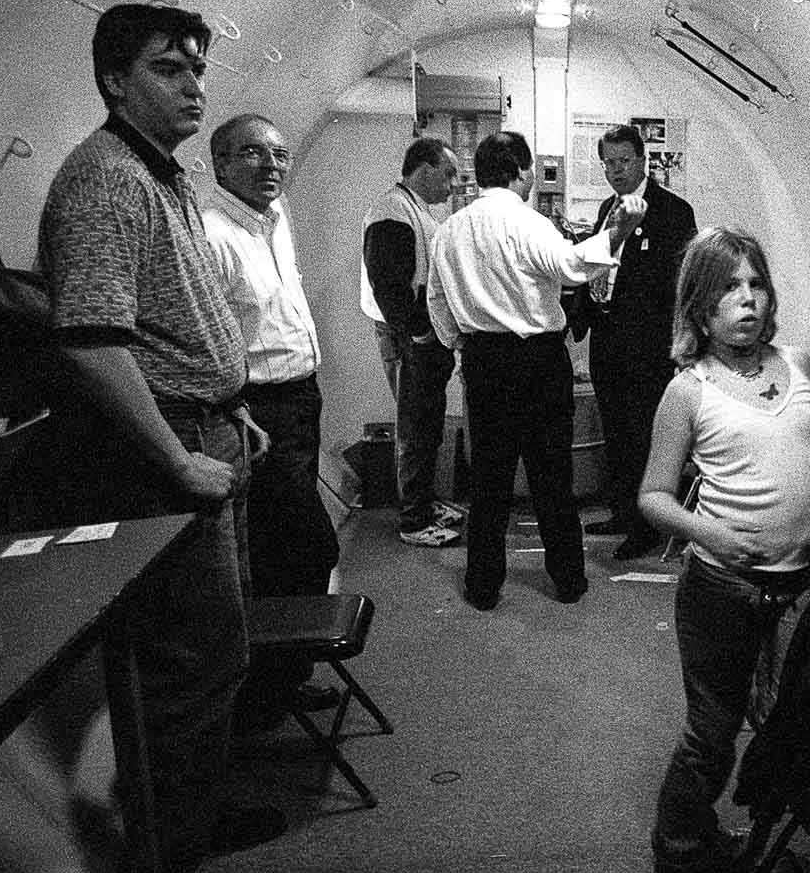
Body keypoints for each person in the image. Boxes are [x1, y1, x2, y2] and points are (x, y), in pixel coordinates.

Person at [34, 2, 283, 873]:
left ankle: (197, 820)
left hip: (214, 434)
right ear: (113, 81)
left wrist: (235, 406)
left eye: (199, 69)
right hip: (165, 461)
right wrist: (180, 460)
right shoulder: (103, 182)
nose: (195, 84)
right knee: (187, 671)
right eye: (171, 68)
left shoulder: (164, 177)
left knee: (218, 657)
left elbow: (171, 319)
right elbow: (94, 346)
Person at [638, 228, 810, 873]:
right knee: (712, 733)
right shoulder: (689, 391)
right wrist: (709, 534)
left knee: (792, 719)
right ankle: (680, 841)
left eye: (756, 283)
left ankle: (766, 818)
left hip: (804, 585)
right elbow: (653, 497)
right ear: (700, 308)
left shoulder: (800, 363)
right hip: (722, 591)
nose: (747, 300)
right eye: (729, 288)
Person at [426, 130, 648, 611]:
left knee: (489, 481)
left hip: (483, 363)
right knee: (552, 477)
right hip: (538, 363)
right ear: (523, 171)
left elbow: (437, 303)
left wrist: (461, 343)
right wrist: (618, 233)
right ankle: (568, 580)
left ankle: (483, 587)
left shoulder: (449, 230)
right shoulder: (527, 224)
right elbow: (571, 269)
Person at [201, 113, 341, 726]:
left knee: (291, 547)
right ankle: (262, 694)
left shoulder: (274, 220)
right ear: (220, 164)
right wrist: (235, 409)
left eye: (280, 155)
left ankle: (289, 677)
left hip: (299, 395)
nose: (272, 166)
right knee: (291, 546)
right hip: (257, 408)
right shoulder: (212, 234)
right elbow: (206, 338)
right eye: (253, 154)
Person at [573, 124, 697, 560]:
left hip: (646, 346)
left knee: (644, 437)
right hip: (608, 340)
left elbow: (681, 285)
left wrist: (683, 346)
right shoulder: (608, 207)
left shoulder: (673, 211)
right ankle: (622, 511)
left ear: (643, 161)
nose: (615, 170)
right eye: (608, 162)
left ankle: (645, 526)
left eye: (624, 161)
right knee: (616, 434)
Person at [362, 136, 467, 547]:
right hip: (412, 340)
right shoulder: (391, 210)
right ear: (423, 169)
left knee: (428, 426)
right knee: (415, 429)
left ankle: (425, 502)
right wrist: (421, 333)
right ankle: (413, 521)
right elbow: (388, 285)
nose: (453, 184)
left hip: (425, 338)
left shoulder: (416, 210)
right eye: (448, 173)